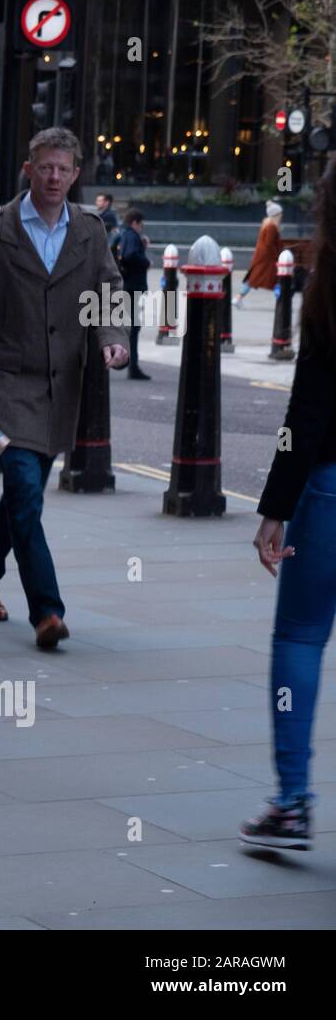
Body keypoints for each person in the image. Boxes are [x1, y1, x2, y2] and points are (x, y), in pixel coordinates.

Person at [0, 127, 129, 649]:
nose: (53, 176)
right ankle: (47, 610)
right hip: (0, 387)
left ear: (75, 174)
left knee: (23, 501)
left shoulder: (90, 231)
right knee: (25, 492)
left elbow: (109, 286)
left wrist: (113, 339)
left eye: (63, 168)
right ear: (28, 169)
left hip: (58, 392)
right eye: (44, 166)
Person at [241, 161, 336, 852]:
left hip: (329, 486)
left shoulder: (327, 284)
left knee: (300, 637)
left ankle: (293, 800)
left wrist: (275, 507)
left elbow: (306, 408)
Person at [115, 208, 152, 381]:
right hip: (131, 286)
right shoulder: (131, 235)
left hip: (128, 286)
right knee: (132, 327)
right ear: (135, 223)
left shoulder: (125, 234)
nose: (141, 228)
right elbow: (130, 255)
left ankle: (131, 363)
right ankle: (132, 364)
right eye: (141, 225)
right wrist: (146, 261)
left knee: (130, 326)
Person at [236, 200, 284, 310]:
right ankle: (281, 301)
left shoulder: (266, 224)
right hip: (267, 259)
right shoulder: (271, 226)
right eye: (280, 214)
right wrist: (277, 256)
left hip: (263, 257)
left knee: (255, 279)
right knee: (275, 278)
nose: (281, 216)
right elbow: (269, 244)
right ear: (276, 215)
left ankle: (238, 298)